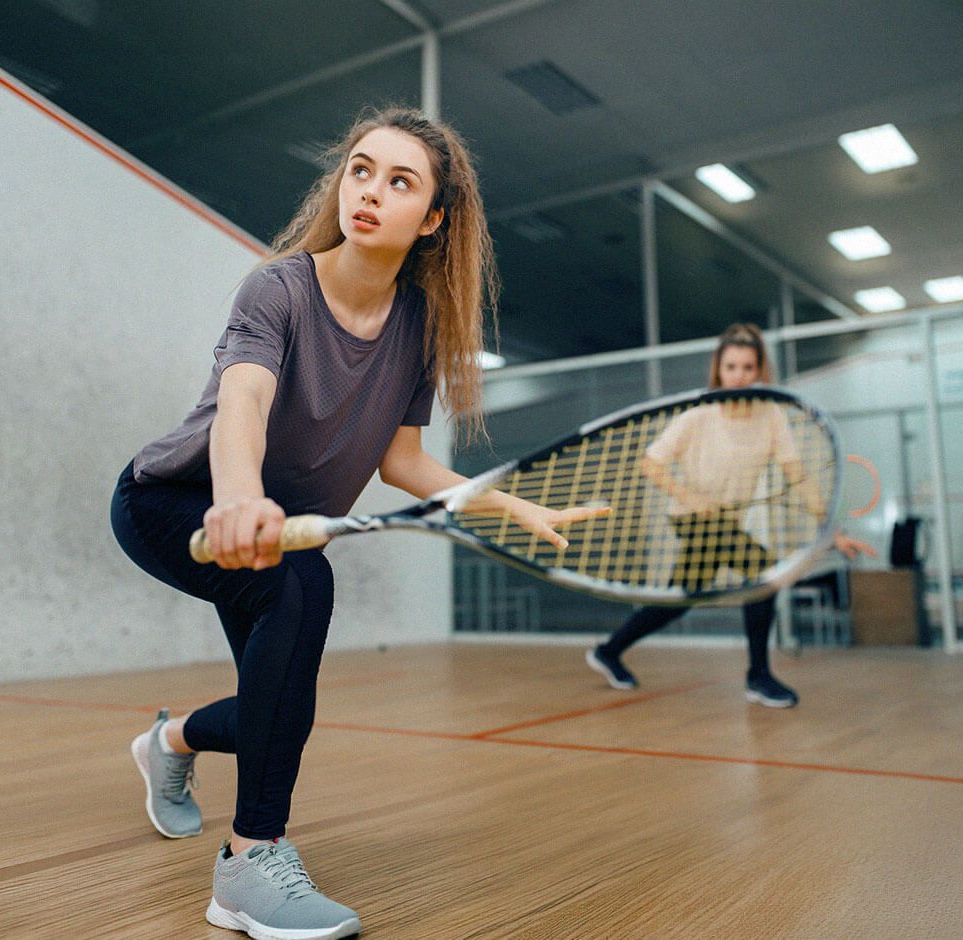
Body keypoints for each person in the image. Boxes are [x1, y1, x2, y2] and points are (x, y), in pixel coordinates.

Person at [112, 106, 603, 940]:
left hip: (274, 528)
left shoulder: (419, 330)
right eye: (361, 170)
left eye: (400, 181)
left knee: (283, 697)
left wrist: (507, 500)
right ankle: (246, 864)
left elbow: (401, 462)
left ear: (435, 220)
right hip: (174, 503)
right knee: (303, 588)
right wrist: (239, 496)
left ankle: (173, 742)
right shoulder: (278, 289)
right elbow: (245, 403)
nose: (369, 191)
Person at [585, 323, 874, 706]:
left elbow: (797, 474)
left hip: (724, 521)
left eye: (748, 367)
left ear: (760, 371)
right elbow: (651, 464)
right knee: (762, 572)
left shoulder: (772, 416)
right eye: (731, 366)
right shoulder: (698, 416)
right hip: (691, 518)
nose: (739, 375)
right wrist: (691, 496)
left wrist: (831, 532)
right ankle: (758, 676)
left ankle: (609, 650)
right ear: (718, 369)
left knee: (679, 598)